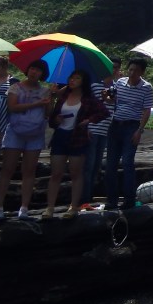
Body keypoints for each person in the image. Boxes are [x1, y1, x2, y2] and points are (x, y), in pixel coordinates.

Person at [42, 70, 109, 219]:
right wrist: (56, 119)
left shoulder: (88, 99)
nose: (72, 80)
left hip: (78, 137)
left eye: (77, 78)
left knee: (76, 174)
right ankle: (49, 207)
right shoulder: (63, 97)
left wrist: (89, 120)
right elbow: (52, 120)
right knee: (56, 173)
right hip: (60, 136)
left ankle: (73, 207)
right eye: (71, 78)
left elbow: (103, 112)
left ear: (83, 82)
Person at [0, 60, 53, 219]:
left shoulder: (45, 91)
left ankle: (24, 207)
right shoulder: (15, 87)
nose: (34, 72)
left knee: (30, 170)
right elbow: (12, 107)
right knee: (7, 168)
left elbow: (48, 113)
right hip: (15, 131)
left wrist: (49, 100)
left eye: (38, 70)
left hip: (36, 133)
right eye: (32, 68)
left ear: (42, 74)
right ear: (28, 70)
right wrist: (37, 103)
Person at [104, 58, 153, 211]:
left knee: (127, 162)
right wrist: (106, 95)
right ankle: (111, 200)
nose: (132, 73)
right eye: (130, 69)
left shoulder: (146, 87)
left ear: (142, 72)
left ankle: (129, 199)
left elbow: (146, 110)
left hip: (131, 126)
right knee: (110, 164)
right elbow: (112, 100)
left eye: (136, 70)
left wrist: (139, 130)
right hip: (116, 124)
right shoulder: (120, 82)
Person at [83, 57, 118, 204]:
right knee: (88, 165)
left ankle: (88, 197)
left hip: (106, 130)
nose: (113, 69)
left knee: (97, 166)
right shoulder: (95, 84)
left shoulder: (117, 87)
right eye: (111, 66)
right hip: (92, 128)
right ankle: (84, 199)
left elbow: (114, 104)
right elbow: (87, 106)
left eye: (116, 67)